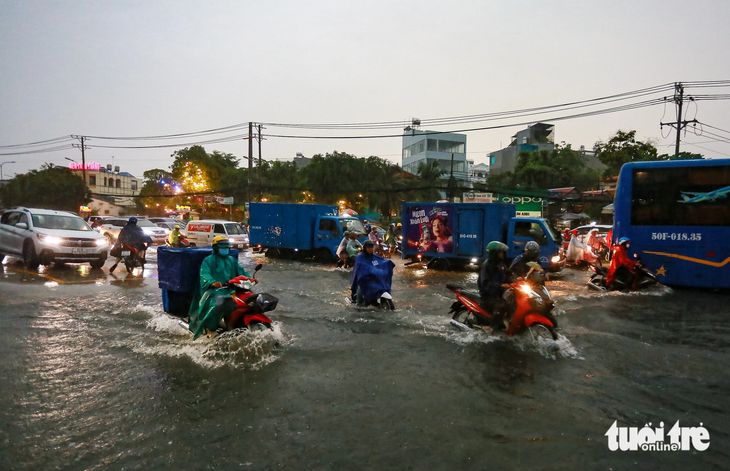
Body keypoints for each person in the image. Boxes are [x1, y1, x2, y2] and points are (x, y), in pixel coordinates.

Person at [188, 236, 251, 339]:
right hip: (213, 291)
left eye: (227, 247)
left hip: (231, 290)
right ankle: (210, 328)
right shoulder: (208, 260)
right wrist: (212, 282)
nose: (225, 250)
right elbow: (204, 274)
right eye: (222, 247)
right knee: (217, 304)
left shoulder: (232, 260)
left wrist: (250, 279)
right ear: (216, 248)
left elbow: (242, 272)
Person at [477, 241, 514, 328]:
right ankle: (492, 327)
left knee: (512, 303)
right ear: (494, 253)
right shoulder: (487, 265)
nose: (502, 254)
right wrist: (500, 285)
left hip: (499, 293)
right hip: (488, 295)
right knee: (502, 306)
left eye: (502, 252)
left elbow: (508, 275)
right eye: (500, 252)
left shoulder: (501, 264)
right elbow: (485, 283)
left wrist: (515, 280)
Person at [350, 240, 395, 306]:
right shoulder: (360, 258)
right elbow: (358, 270)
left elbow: (381, 262)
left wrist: (388, 264)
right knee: (360, 291)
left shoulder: (375, 257)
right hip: (363, 280)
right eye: (369, 247)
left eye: (371, 247)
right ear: (365, 248)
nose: (370, 249)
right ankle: (359, 305)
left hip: (372, 279)